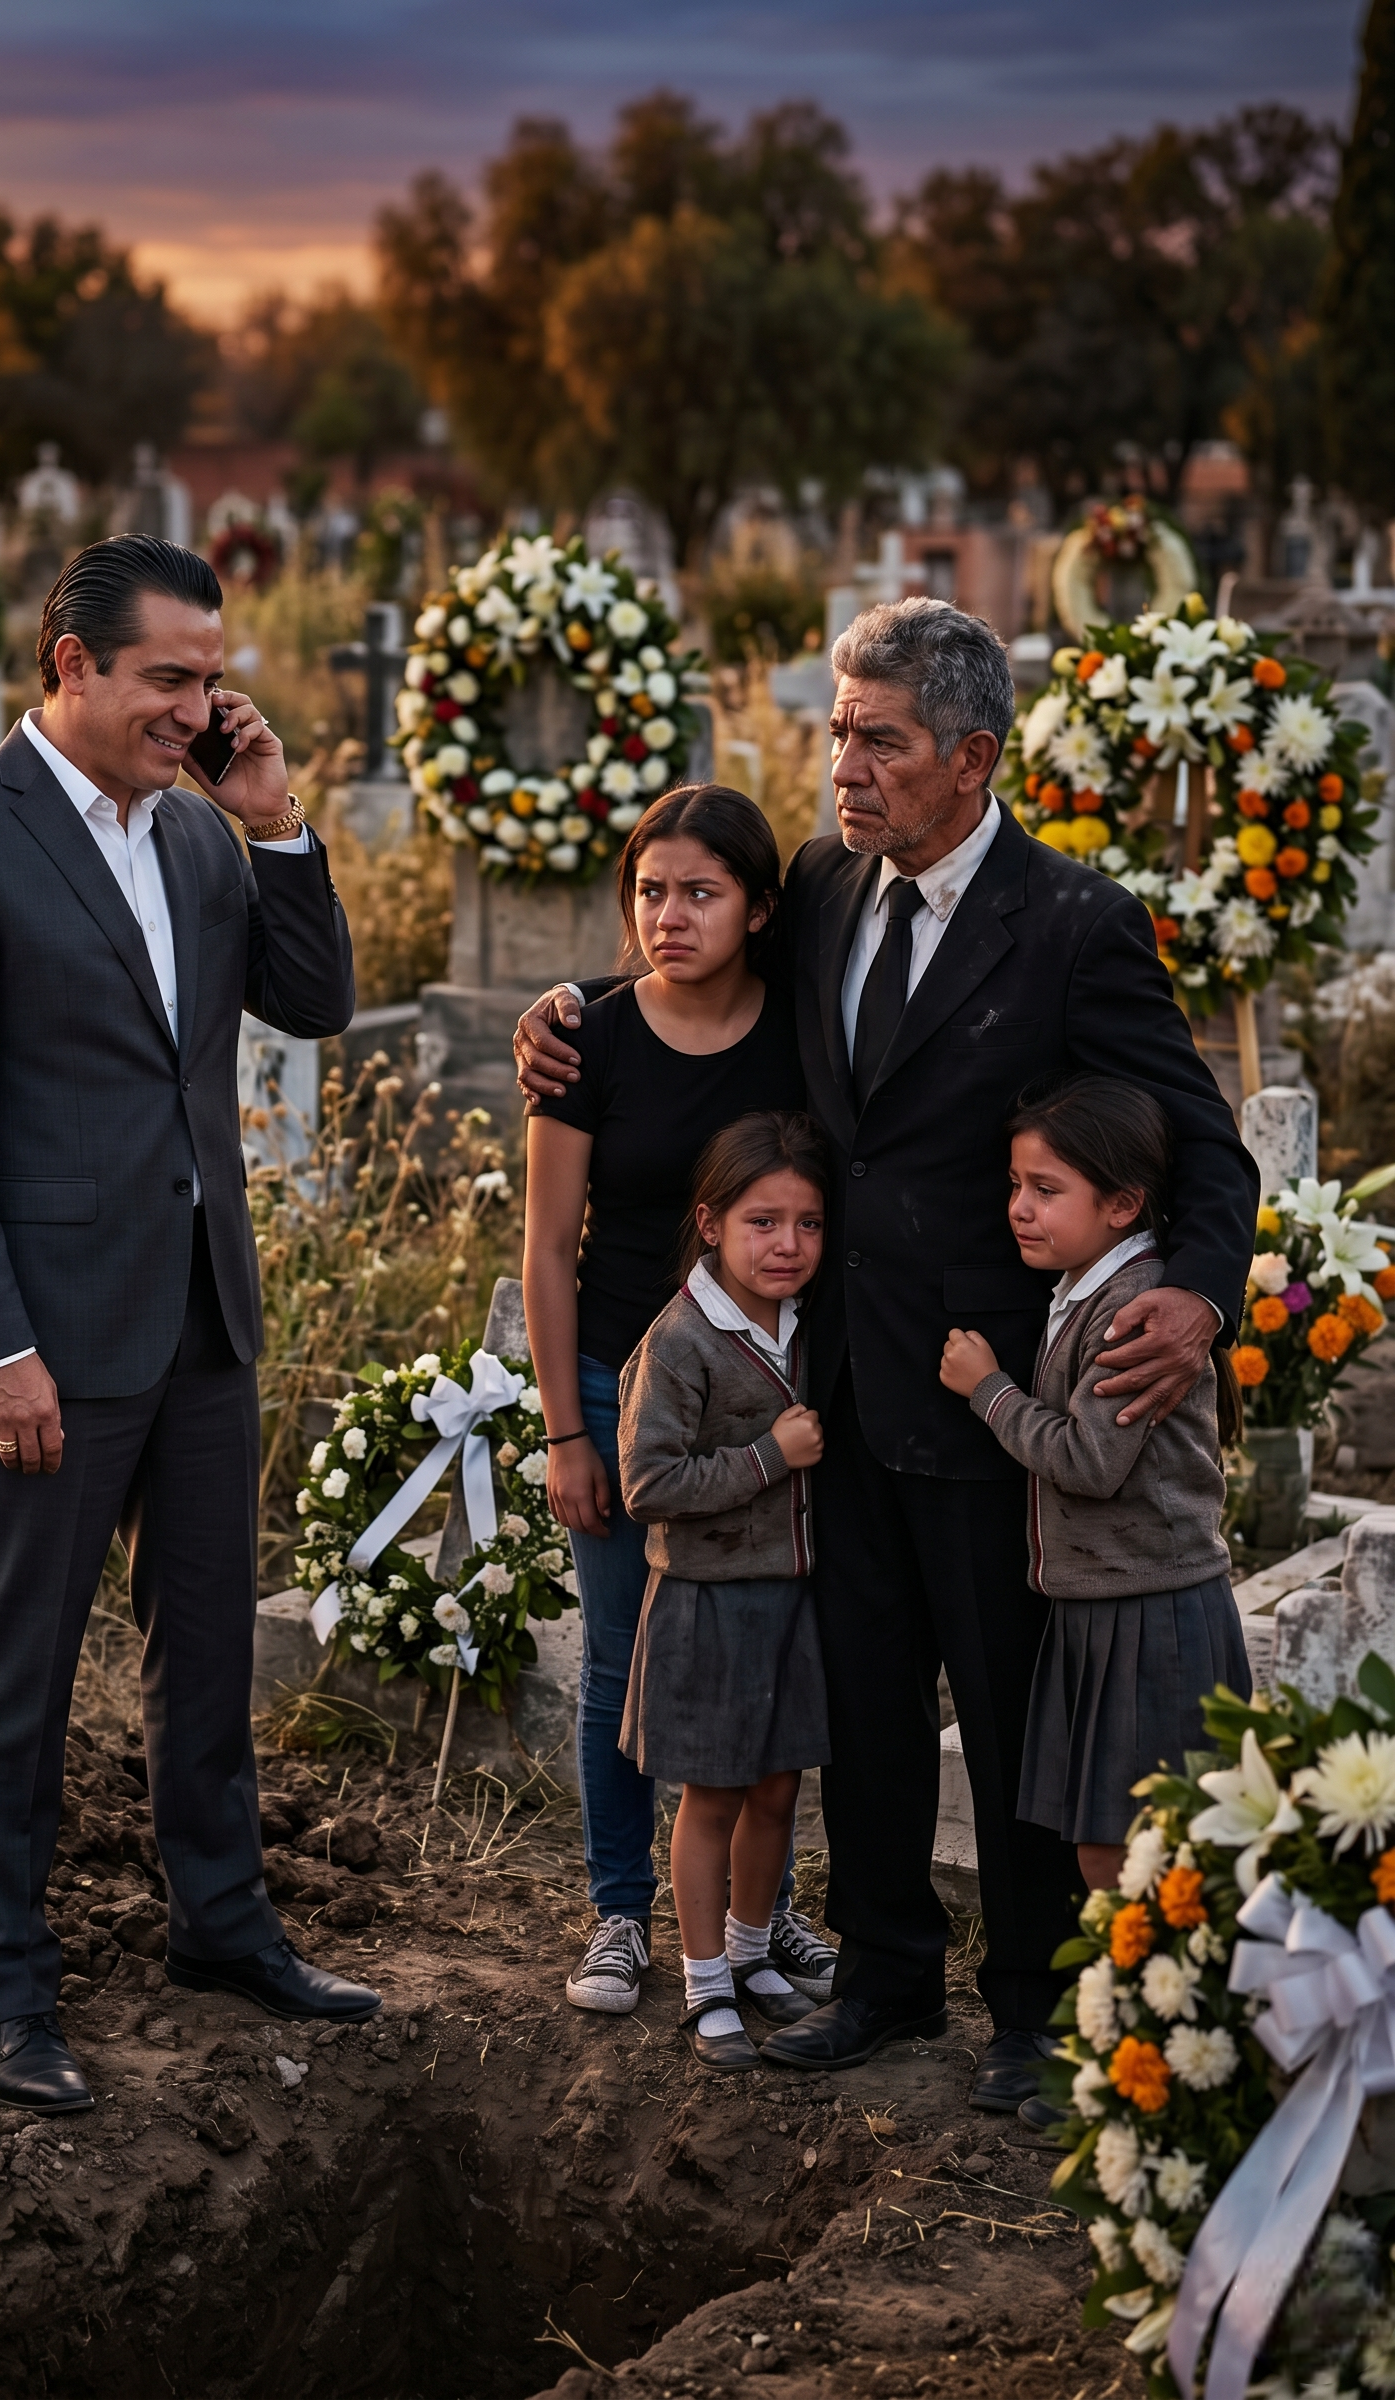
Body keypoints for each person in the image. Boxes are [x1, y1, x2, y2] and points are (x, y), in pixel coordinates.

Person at [515, 596, 1257, 2116]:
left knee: (1001, 1701)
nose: (843, 768)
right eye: (836, 733)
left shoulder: (1072, 927)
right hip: (833, 1378)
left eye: (880, 741)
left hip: (990, 1396)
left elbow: (1200, 1138)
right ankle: (887, 1974)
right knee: (862, 1703)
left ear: (973, 757)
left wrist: (1200, 1295)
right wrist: (571, 1013)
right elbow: (695, 973)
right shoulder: (827, 888)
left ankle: (1036, 2012)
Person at [0, 535, 379, 2114]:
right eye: (169, 676)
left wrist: (275, 818)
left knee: (206, 1645)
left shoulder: (206, 837)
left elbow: (320, 1001)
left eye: (212, 675)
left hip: (201, 1311)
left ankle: (222, 1923)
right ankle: (4, 1979)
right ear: (70, 666)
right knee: (16, 1667)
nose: (199, 704)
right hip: (49, 1340)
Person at [523, 785, 838, 2018]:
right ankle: (618, 1912)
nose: (669, 915)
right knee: (621, 1655)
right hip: (622, 1385)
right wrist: (564, 1429)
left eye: (701, 892)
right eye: (649, 891)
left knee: (766, 1647)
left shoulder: (801, 1037)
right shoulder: (587, 1039)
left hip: (773, 1395)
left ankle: (765, 1914)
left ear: (760, 907)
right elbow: (550, 1248)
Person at [940, 1075, 1248, 1915]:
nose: (1020, 1209)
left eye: (1046, 1190)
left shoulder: (1129, 1310)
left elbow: (1089, 1460)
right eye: (1015, 1185)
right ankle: (1139, 2014)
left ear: (1122, 1204)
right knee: (1110, 1844)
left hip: (1151, 1608)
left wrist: (989, 1390)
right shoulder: (1087, 1288)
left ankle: (1160, 2022)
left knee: (1138, 1849)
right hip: (1105, 1601)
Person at [616, 1112, 833, 2069]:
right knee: (713, 1797)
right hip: (707, 1600)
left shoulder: (810, 1322)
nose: (788, 1245)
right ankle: (704, 1982)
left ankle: (752, 1952)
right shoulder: (684, 1339)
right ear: (710, 1223)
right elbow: (648, 1484)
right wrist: (766, 1458)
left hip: (792, 1596)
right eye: (763, 1222)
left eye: (810, 1224)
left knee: (779, 1789)